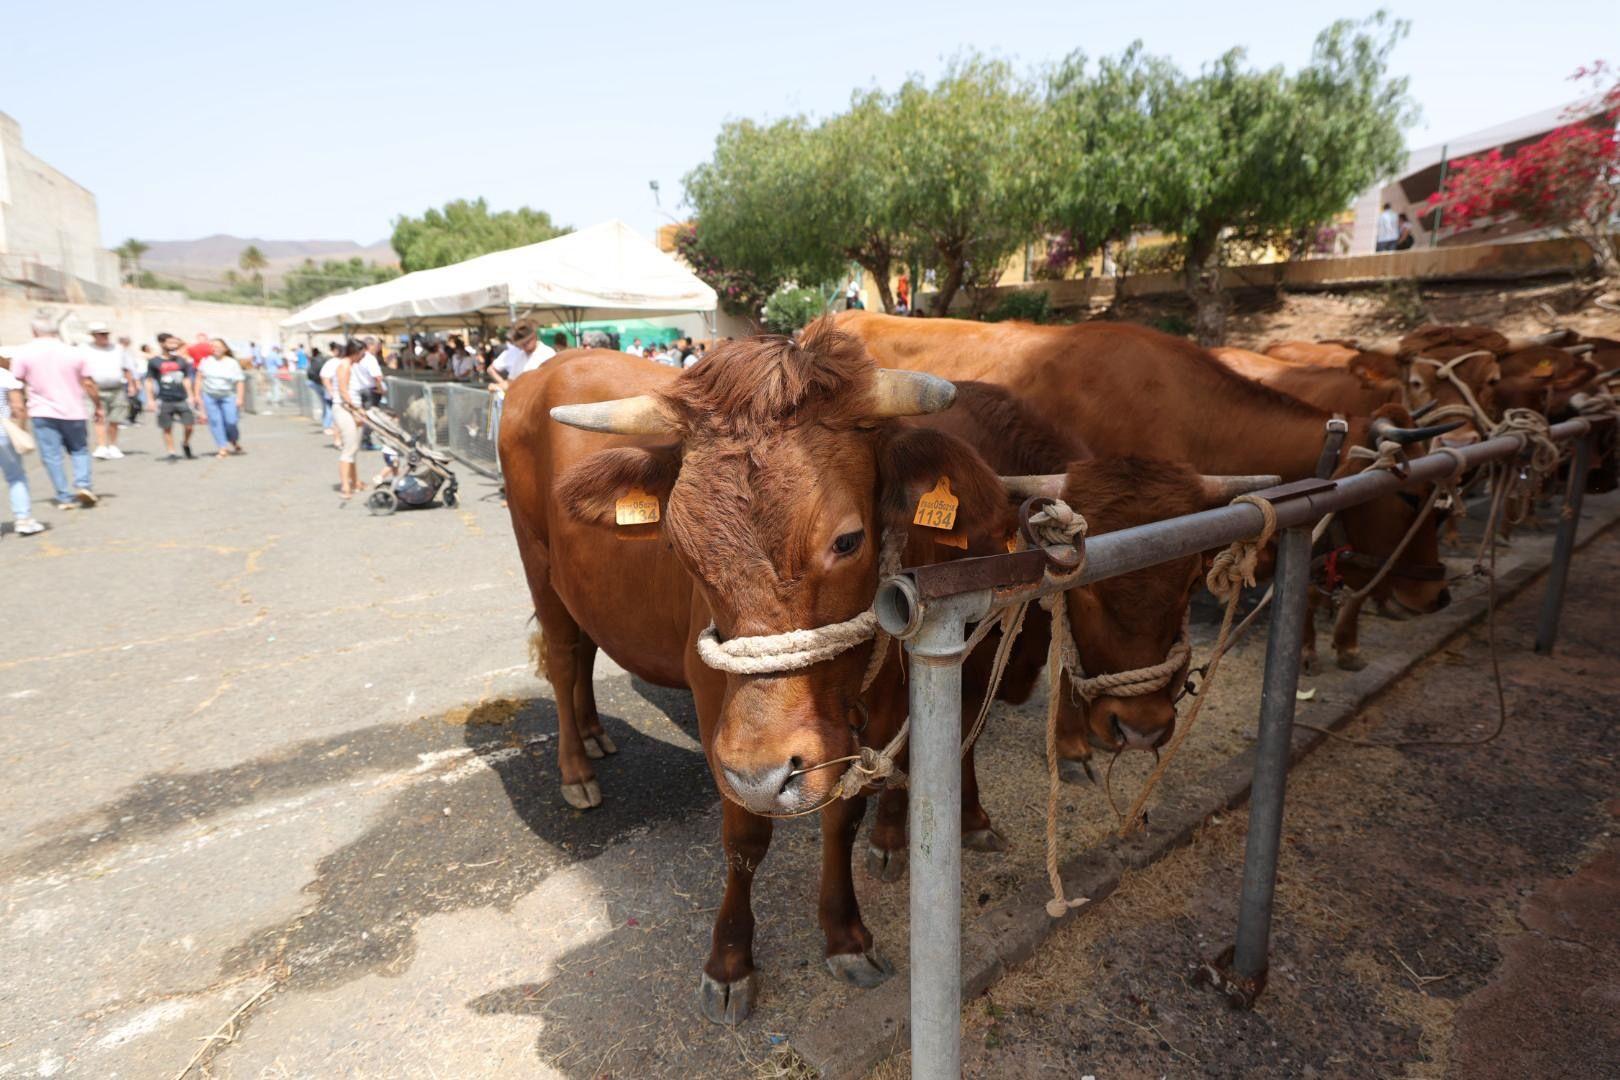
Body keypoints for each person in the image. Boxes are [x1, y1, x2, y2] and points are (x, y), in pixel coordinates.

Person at [10, 317, 102, 510]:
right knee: (79, 450)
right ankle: (83, 485)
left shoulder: (24, 352)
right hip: (74, 410)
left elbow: (16, 384)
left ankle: (64, 496)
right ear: (57, 331)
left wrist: (18, 411)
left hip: (42, 411)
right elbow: (88, 383)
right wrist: (98, 405)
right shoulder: (74, 352)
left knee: (52, 456)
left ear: (34, 331)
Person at [0, 355, 44, 535]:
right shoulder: (4, 375)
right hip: (3, 432)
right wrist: (22, 430)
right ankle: (23, 519)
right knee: (15, 476)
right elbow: (18, 407)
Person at [83, 322, 135, 459]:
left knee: (115, 418)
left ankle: (113, 445)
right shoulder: (84, 349)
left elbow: (126, 368)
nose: (104, 336)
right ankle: (101, 446)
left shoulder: (118, 349)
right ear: (94, 335)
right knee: (99, 417)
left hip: (116, 388)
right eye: (101, 334)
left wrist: (131, 385)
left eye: (106, 334)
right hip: (95, 388)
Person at [146, 332, 198, 461]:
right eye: (170, 342)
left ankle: (185, 443)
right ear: (161, 343)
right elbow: (149, 381)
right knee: (167, 427)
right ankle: (171, 452)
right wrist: (150, 399)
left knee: (189, 426)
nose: (174, 345)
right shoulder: (154, 361)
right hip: (164, 399)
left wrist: (191, 395)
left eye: (175, 342)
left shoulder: (181, 360)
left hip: (182, 398)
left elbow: (186, 379)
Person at [198, 339, 247, 457]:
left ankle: (233, 440)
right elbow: (199, 378)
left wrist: (240, 398)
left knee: (231, 421)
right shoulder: (205, 361)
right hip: (210, 395)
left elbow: (240, 381)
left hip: (228, 395)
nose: (216, 349)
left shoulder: (232, 363)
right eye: (213, 346)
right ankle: (222, 447)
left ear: (225, 348)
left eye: (219, 346)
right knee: (215, 422)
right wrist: (196, 395)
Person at [332, 339, 367, 499]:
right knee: (349, 448)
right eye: (362, 353)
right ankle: (345, 485)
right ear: (355, 352)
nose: (363, 356)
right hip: (345, 409)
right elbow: (343, 391)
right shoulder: (344, 366)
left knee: (353, 447)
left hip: (351, 408)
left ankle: (355, 481)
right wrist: (355, 410)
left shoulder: (350, 366)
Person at [318, 348, 342, 448]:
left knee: (334, 415)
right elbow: (325, 377)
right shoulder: (336, 363)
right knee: (336, 417)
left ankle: (336, 437)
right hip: (336, 395)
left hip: (334, 394)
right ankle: (330, 431)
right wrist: (331, 391)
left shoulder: (333, 362)